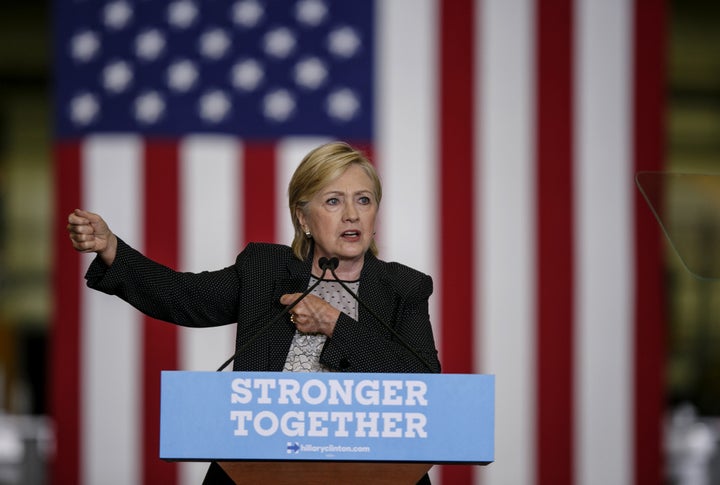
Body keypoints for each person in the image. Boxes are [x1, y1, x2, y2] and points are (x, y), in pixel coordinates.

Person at [67, 141, 441, 484]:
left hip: (373, 473)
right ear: (303, 219)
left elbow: (425, 384)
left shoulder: (404, 286)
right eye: (332, 201)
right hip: (260, 469)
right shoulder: (265, 270)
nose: (351, 215)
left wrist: (334, 323)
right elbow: (185, 296)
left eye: (363, 200)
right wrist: (113, 248)